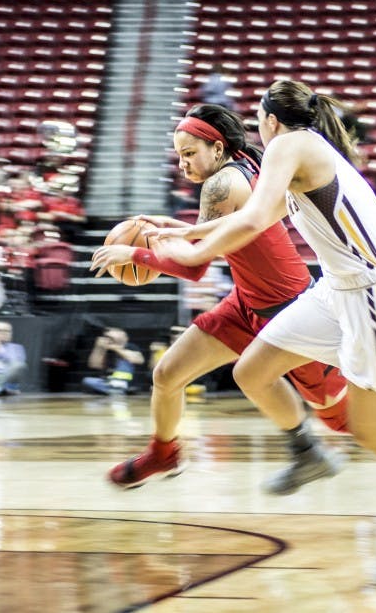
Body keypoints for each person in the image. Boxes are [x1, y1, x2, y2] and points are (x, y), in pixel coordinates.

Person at [135, 84, 376, 524]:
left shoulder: (289, 145)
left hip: (374, 294)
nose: (256, 128)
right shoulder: (302, 150)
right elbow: (261, 216)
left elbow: (253, 219)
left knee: (370, 429)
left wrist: (193, 253)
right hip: (335, 290)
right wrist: (182, 230)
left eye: (257, 119)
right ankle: (306, 454)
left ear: (271, 121)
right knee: (251, 371)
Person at [90, 104, 352, 492]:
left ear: (216, 148)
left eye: (189, 154)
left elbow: (196, 268)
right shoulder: (239, 165)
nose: (182, 164)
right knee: (167, 375)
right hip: (248, 301)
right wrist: (179, 229)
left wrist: (137, 255)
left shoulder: (220, 185)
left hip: (289, 307)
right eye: (178, 156)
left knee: (346, 421)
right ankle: (163, 453)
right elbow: (225, 232)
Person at [81, 327, 145, 395]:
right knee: (87, 380)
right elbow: (94, 365)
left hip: (127, 383)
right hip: (109, 382)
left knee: (124, 362)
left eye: (110, 337)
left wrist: (115, 348)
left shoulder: (130, 347)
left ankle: (117, 387)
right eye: (106, 337)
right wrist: (98, 348)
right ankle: (114, 390)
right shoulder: (105, 350)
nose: (108, 339)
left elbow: (138, 360)